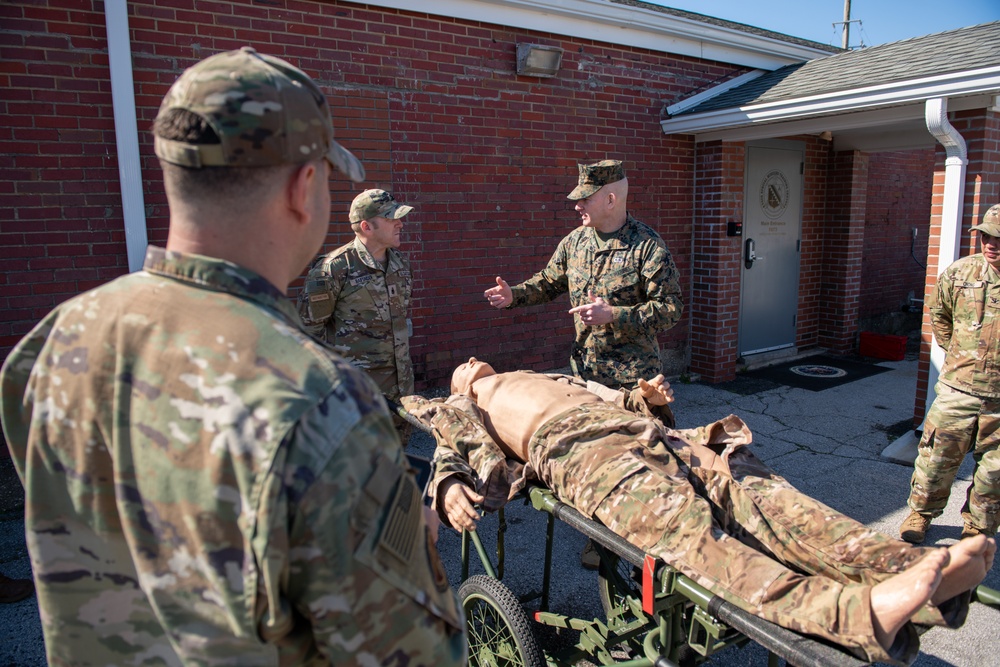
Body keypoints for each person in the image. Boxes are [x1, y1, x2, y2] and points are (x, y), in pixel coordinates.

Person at [0, 47, 464, 666]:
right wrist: (415, 538)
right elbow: (417, 655)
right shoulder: (321, 402)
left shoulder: (57, 339)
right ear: (305, 187)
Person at [402, 358, 996, 666]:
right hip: (582, 454)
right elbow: (448, 451)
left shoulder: (549, 374)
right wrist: (449, 484)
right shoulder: (462, 403)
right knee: (700, 542)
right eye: (465, 365)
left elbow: (619, 399)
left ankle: (908, 565)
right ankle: (858, 613)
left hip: (652, 434)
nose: (475, 361)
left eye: (478, 362)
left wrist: (647, 397)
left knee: (774, 503)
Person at [483, 159, 683, 388]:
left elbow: (670, 309)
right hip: (585, 377)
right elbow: (549, 282)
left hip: (634, 383)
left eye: (586, 199)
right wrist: (514, 295)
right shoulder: (575, 241)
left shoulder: (647, 247)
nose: (578, 206)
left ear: (610, 200)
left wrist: (614, 315)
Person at [900, 203, 1000, 544]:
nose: (991, 244)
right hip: (959, 389)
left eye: (998, 238)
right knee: (937, 458)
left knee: (994, 473)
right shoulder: (960, 273)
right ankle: (920, 514)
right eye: (986, 236)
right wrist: (959, 352)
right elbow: (938, 314)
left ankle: (977, 527)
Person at [298, 188, 416, 441]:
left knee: (398, 460)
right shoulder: (334, 268)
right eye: (391, 218)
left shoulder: (400, 264)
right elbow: (308, 333)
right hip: (356, 392)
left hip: (400, 388)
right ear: (366, 226)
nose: (400, 223)